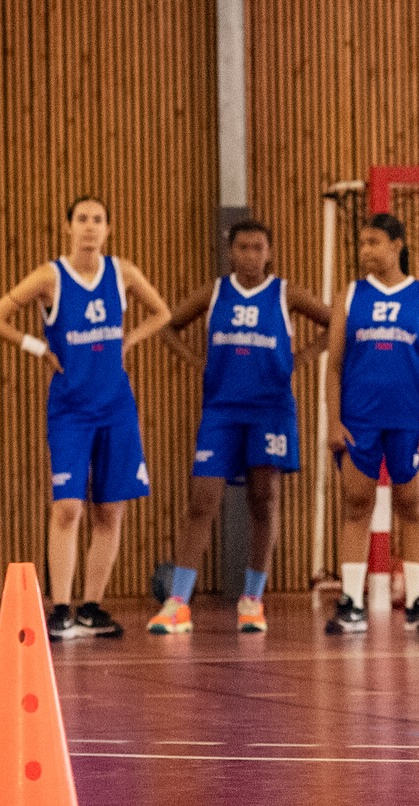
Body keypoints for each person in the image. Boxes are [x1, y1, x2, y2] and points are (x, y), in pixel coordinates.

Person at [0, 195, 172, 640]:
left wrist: (129, 341)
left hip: (116, 406)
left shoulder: (122, 272)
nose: (90, 227)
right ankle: (60, 608)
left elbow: (161, 312)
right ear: (68, 226)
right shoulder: (51, 276)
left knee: (111, 510)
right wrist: (39, 347)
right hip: (70, 408)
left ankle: (91, 607)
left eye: (98, 220)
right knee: (68, 506)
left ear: (108, 228)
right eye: (82, 219)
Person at [148, 220, 330, 635]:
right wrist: (199, 363)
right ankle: (177, 602)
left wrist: (299, 358)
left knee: (264, 499)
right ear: (231, 251)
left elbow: (335, 323)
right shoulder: (215, 292)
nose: (250, 254)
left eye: (257, 247)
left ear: (269, 252)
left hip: (270, 409)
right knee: (202, 500)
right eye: (243, 247)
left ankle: (252, 599)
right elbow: (166, 324)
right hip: (221, 409)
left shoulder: (285, 293)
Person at [324, 214, 419, 634]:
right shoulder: (349, 296)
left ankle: (417, 601)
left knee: (411, 505)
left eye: (374, 242)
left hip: (410, 420)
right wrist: (333, 421)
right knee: (356, 505)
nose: (365, 251)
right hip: (360, 419)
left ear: (397, 245)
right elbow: (334, 366)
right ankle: (351, 602)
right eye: (362, 243)